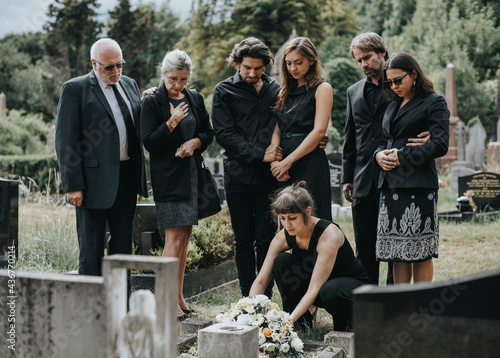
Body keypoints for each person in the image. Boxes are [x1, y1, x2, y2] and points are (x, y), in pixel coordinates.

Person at [342, 32, 430, 285]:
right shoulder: (352, 91)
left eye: (367, 58)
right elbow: (350, 137)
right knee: (365, 249)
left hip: (396, 176)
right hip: (362, 179)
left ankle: (393, 302)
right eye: (359, 61)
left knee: (395, 248)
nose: (364, 65)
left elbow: (419, 112)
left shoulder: (400, 85)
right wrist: (348, 177)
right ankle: (371, 305)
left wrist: (432, 134)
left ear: (382, 53)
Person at [55, 38, 148, 276]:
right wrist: (73, 184)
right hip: (91, 183)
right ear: (94, 64)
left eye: (120, 65)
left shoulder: (130, 84)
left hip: (126, 178)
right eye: (109, 67)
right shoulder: (75, 89)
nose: (116, 71)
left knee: (123, 249)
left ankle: (121, 305)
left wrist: (150, 102)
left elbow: (136, 124)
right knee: (91, 248)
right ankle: (92, 308)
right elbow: (66, 141)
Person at [141, 49, 214, 321]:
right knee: (174, 239)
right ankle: (164, 299)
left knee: (185, 238)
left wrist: (195, 143)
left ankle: (179, 297)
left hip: (192, 176)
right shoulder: (152, 101)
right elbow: (149, 142)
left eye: (183, 79)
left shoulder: (194, 97)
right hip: (168, 180)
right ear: (163, 74)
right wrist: (173, 121)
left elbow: (208, 133)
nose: (178, 85)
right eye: (173, 78)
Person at [211, 37, 282, 298]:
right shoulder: (223, 91)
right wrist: (260, 154)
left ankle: (265, 296)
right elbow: (224, 134)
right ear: (237, 63)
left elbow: (284, 124)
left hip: (269, 179)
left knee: (267, 238)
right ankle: (246, 298)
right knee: (243, 239)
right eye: (247, 68)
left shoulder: (276, 89)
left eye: (258, 68)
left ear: (266, 65)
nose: (252, 73)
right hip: (238, 176)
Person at [249, 182, 370, 331]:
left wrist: (284, 324)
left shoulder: (328, 235)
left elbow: (315, 288)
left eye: (292, 218)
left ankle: (348, 327)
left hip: (348, 290)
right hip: (320, 289)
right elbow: (261, 280)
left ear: (307, 212)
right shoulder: (283, 237)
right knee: (281, 262)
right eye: (283, 218)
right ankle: (300, 326)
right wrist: (247, 313)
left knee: (330, 290)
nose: (287, 224)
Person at [374, 52, 450, 284]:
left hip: (417, 184)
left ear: (414, 73)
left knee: (420, 252)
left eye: (399, 80)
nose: (394, 86)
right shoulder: (392, 105)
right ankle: (402, 307)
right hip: (390, 184)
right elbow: (383, 139)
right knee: (396, 252)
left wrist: (402, 156)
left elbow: (440, 144)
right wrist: (378, 156)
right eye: (390, 82)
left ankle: (422, 306)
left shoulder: (434, 102)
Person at [270, 37, 333, 221]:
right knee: (289, 217)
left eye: (299, 62)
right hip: (284, 162)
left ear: (311, 60)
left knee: (312, 216)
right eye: (289, 63)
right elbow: (276, 128)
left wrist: (288, 162)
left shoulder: (322, 88)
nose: (293, 68)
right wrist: (276, 161)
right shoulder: (283, 92)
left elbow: (319, 131)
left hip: (310, 160)